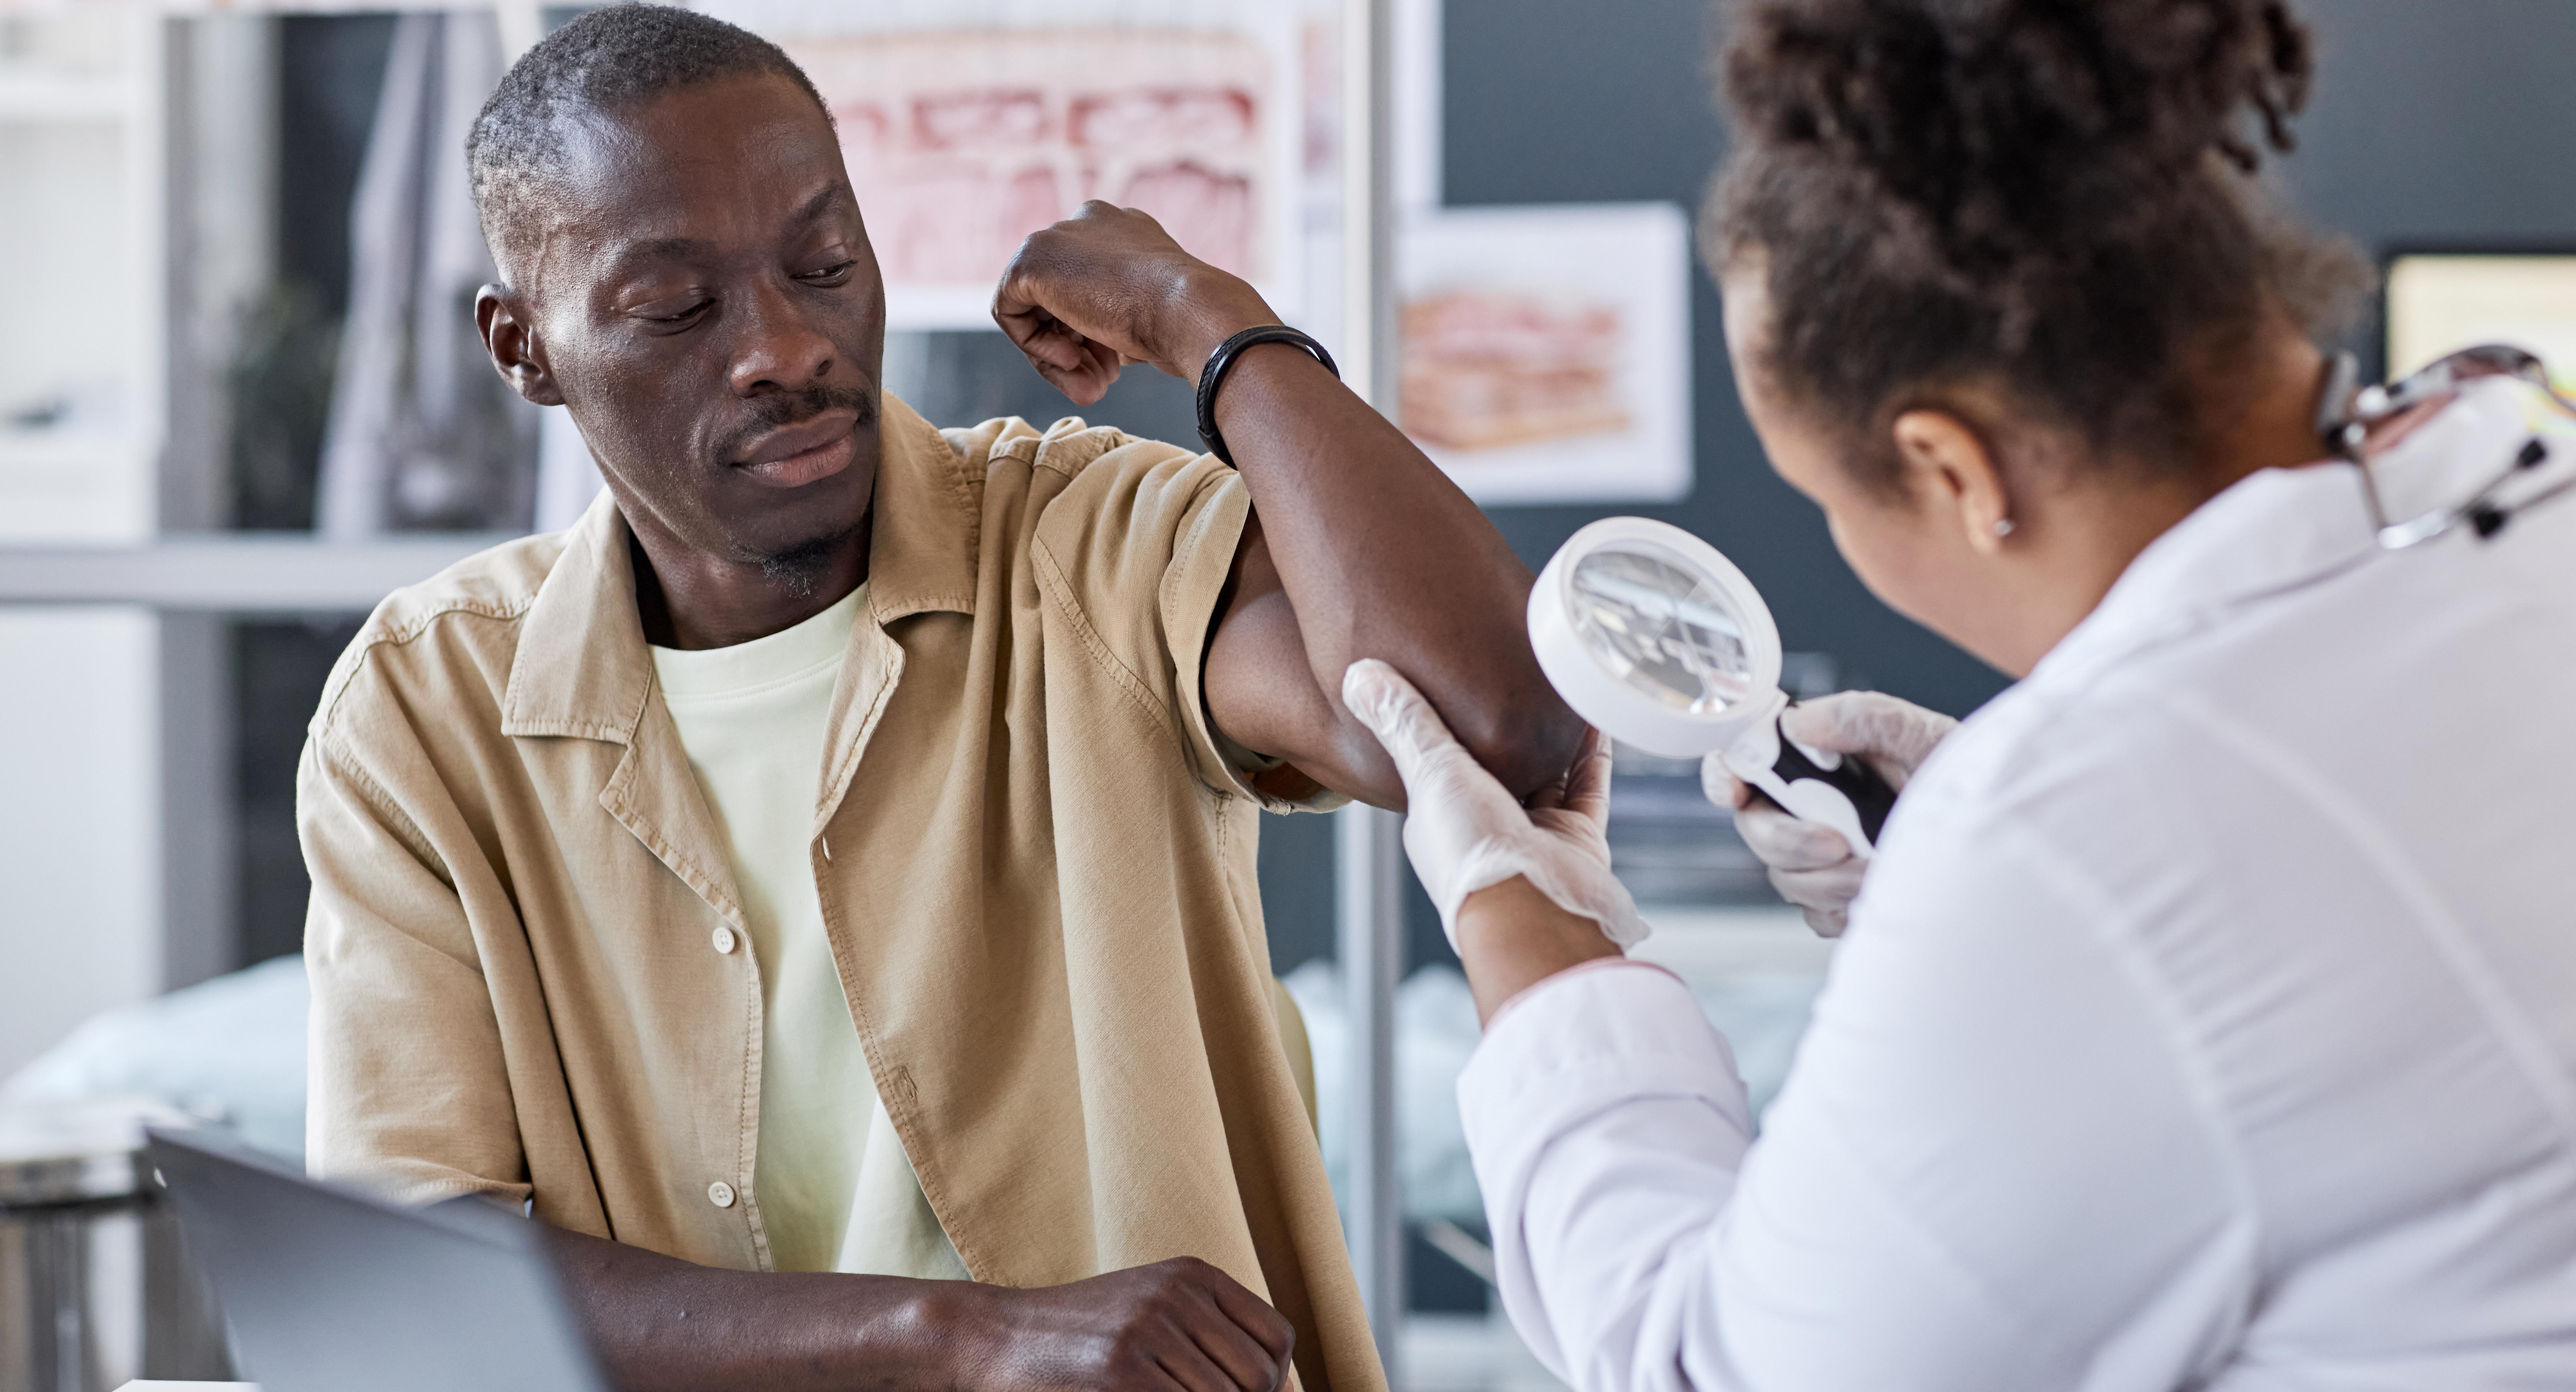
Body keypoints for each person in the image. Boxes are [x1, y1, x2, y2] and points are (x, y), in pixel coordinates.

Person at [296, 8, 1580, 1392]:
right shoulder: (423, 712)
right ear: (522, 348)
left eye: (826, 262)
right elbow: (421, 1266)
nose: (786, 348)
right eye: (677, 306)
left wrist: (1208, 321)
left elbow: (1491, 721)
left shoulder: (1079, 544)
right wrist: (953, 1338)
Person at [1339, 0, 2576, 1388]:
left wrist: (1529, 928)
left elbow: (1721, 1365)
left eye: (1822, 497)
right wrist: (1990, 847)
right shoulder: (2527, 502)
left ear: (1957, 471)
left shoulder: (2094, 846)